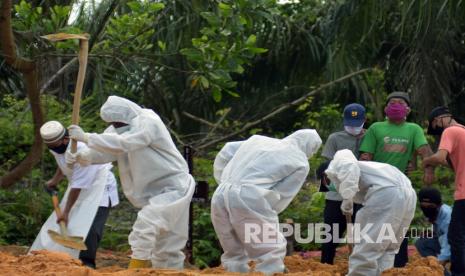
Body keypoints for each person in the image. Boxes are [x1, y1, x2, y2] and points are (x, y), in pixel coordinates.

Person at [66, 96, 196, 269]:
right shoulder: (116, 130)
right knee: (167, 245)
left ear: (127, 114)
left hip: (174, 187)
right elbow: (108, 152)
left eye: (118, 123)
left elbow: (128, 142)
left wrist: (87, 137)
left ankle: (136, 269)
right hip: (154, 193)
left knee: (147, 225)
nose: (116, 127)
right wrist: (83, 156)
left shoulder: (148, 121)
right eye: (114, 124)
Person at [211, 129, 322, 275]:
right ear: (310, 147)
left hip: (220, 193)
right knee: (270, 244)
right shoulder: (301, 162)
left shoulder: (258, 139)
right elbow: (283, 193)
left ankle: (234, 272)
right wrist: (267, 210)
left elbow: (227, 150)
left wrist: (223, 180)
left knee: (232, 245)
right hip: (249, 196)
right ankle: (271, 272)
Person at [29, 121, 119, 269]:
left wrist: (65, 212)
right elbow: (63, 163)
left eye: (55, 145)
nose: (53, 149)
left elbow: (78, 187)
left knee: (91, 228)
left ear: (65, 139)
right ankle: (65, 261)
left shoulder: (82, 152)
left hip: (99, 187)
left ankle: (87, 265)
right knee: (68, 225)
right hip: (77, 184)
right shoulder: (57, 147)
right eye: (50, 146)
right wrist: (55, 180)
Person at [359, 91, 434, 267]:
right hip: (377, 185)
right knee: (374, 225)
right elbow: (366, 156)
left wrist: (428, 171)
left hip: (400, 185)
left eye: (400, 103)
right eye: (392, 102)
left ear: (408, 109)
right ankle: (370, 264)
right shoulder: (376, 128)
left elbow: (425, 152)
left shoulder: (413, 129)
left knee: (399, 225)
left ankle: (398, 267)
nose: (396, 105)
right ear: (386, 108)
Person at [324, 149, 416, 276]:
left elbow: (348, 165)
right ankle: (382, 273)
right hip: (408, 192)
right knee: (389, 246)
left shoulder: (339, 164)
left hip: (387, 192)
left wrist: (347, 196)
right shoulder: (372, 169)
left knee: (367, 244)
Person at [320, 103, 366, 264]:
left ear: (364, 120)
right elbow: (328, 168)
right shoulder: (335, 138)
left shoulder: (370, 137)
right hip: (336, 196)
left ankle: (359, 269)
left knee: (362, 237)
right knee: (330, 236)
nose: (353, 128)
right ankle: (326, 267)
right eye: (349, 124)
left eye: (357, 124)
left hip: (361, 197)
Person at [423, 106, 465, 275]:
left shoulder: (451, 131)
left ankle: (459, 273)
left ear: (441, 119)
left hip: (464, 193)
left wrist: (427, 160)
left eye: (436, 124)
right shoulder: (463, 132)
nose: (439, 130)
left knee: (456, 235)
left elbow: (439, 157)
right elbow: (455, 166)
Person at [415, 187, 451, 275]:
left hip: (458, 246)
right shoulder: (436, 213)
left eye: (430, 206)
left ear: (438, 205)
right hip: (447, 243)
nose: (426, 209)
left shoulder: (447, 217)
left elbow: (449, 241)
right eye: (424, 206)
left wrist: (439, 263)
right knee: (422, 242)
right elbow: (441, 233)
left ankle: (438, 271)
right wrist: (434, 233)